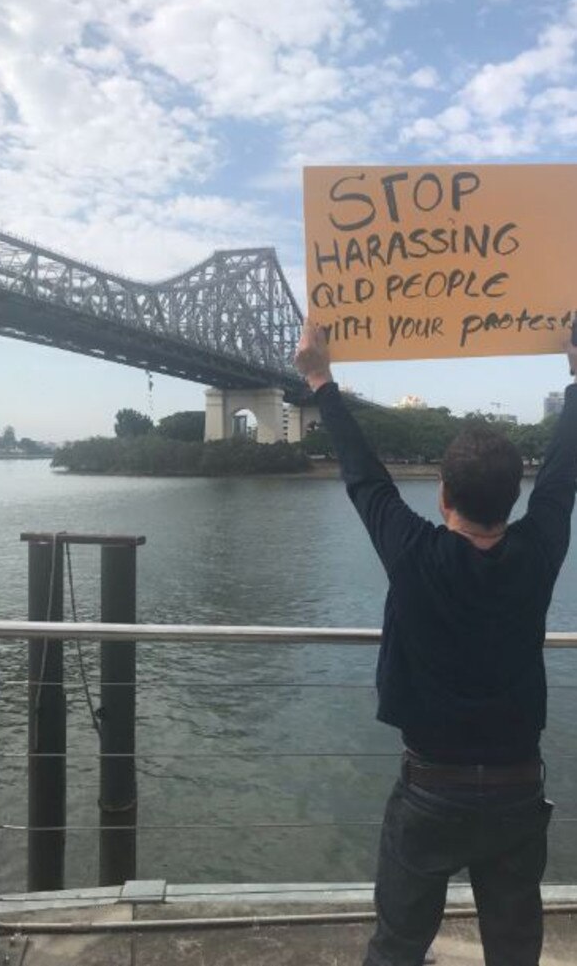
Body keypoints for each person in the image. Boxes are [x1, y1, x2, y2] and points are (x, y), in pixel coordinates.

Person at [294, 321, 577, 966]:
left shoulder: (414, 553)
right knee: (513, 951)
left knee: (396, 947)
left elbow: (365, 480)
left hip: (430, 790)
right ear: (516, 497)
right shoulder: (538, 553)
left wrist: (319, 379)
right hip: (515, 789)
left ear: (443, 494)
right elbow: (563, 477)